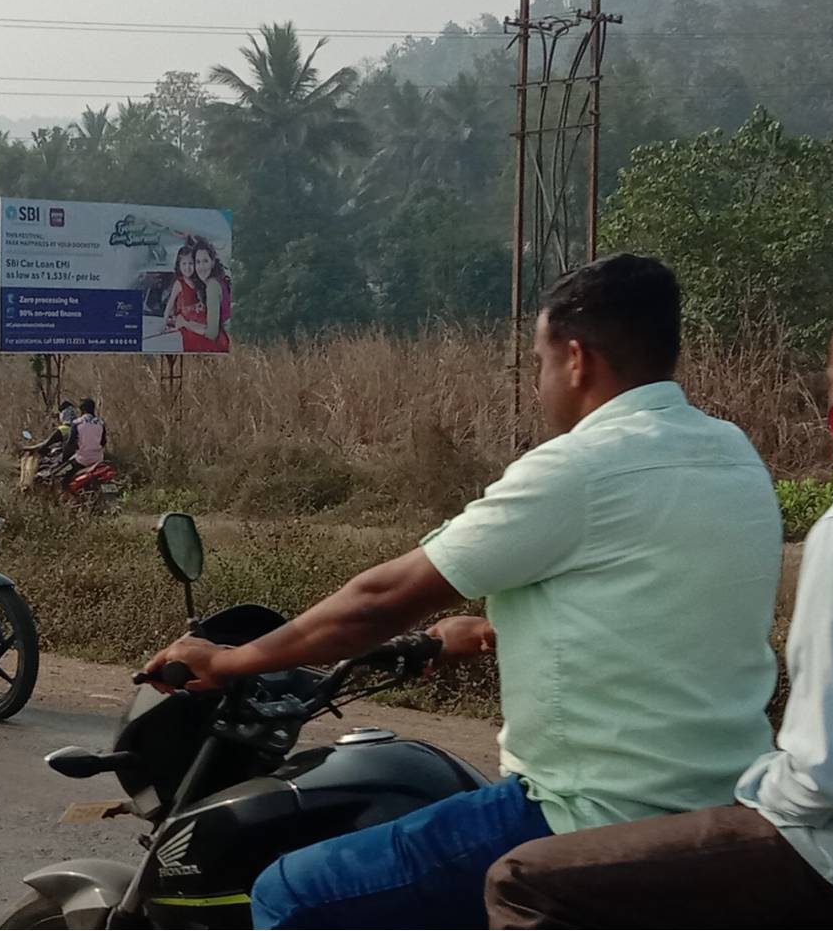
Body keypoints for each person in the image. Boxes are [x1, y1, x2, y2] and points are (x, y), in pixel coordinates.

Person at [141, 254, 784, 929]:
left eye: (536, 362)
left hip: (584, 813)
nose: (538, 384)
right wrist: (488, 629)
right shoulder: (730, 453)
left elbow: (379, 599)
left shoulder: (577, 467)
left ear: (574, 357)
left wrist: (226, 660)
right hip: (719, 806)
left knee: (289, 891)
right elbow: (663, 594)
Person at [484, 270, 833, 930]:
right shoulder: (730, 454)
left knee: (524, 880)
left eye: (829, 386)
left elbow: (825, 777)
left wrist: (753, 789)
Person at [59, 397, 108, 486]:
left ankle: (66, 496)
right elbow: (103, 442)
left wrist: (64, 458)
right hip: (99, 459)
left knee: (63, 477)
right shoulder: (101, 423)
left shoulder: (77, 423)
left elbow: (70, 444)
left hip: (82, 460)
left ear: (82, 410)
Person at [162, 246, 202, 338]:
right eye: (184, 264)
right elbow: (170, 304)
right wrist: (164, 323)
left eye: (191, 263)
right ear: (179, 265)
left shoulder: (197, 282)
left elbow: (197, 302)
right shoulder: (179, 283)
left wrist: (199, 305)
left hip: (195, 322)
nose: (187, 267)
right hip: (182, 324)